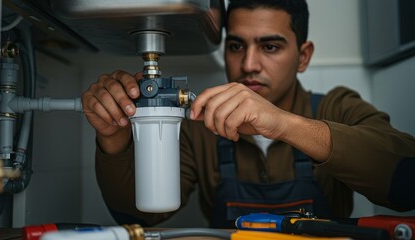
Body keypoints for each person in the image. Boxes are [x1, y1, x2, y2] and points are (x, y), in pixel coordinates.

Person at [81, 0, 415, 228]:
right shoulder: (198, 126)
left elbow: (406, 183)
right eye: (237, 46)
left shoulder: (336, 107)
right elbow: (139, 220)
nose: (249, 65)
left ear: (303, 56)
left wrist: (284, 124)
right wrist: (114, 139)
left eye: (270, 47)